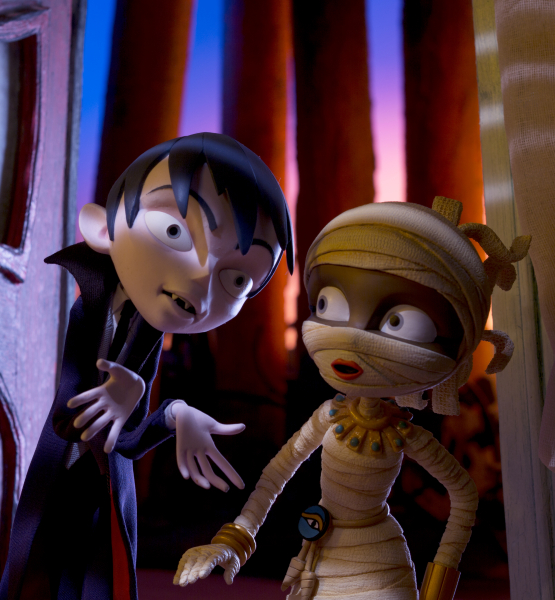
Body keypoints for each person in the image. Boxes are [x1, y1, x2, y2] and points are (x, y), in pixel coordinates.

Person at [175, 197, 530, 600]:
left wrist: (439, 583)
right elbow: (276, 476)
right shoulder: (329, 415)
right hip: (319, 559)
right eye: (328, 304)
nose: (352, 338)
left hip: (381, 568)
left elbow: (464, 494)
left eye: (398, 321)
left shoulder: (403, 434)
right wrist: (234, 541)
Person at [0, 132, 295, 600]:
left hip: (101, 492)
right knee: (32, 576)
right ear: (102, 228)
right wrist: (115, 401)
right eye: (175, 232)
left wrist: (174, 415)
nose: (202, 274)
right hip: (56, 480)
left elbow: (127, 439)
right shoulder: (80, 308)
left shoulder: (149, 333)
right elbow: (68, 414)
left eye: (238, 278)